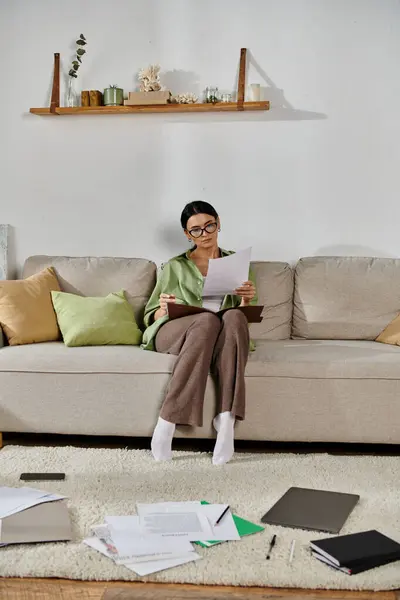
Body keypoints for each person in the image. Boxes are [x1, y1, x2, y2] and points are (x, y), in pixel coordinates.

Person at [142, 201, 257, 465]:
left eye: (209, 225)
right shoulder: (174, 266)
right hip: (175, 331)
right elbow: (150, 318)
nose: (204, 234)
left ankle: (226, 420)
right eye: (196, 230)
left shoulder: (238, 264)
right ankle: (167, 421)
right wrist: (162, 308)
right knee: (206, 320)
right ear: (187, 234)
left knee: (234, 316)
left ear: (218, 222)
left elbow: (242, 323)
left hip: (219, 335)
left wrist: (245, 302)